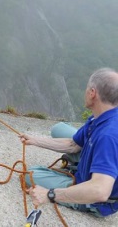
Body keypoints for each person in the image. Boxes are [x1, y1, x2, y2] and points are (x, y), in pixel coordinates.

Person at [20, 68, 118, 217]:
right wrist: (35, 140)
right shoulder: (101, 116)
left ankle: (77, 182)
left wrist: (49, 194)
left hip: (97, 200)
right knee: (59, 129)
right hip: (100, 153)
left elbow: (100, 190)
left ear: (92, 93)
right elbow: (73, 145)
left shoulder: (108, 135)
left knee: (29, 174)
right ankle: (81, 165)